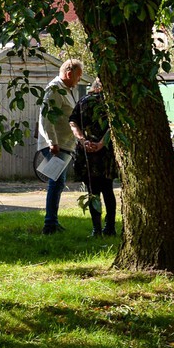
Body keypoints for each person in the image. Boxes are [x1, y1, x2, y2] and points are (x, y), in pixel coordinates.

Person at [37, 59, 86, 234]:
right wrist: (52, 142)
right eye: (78, 77)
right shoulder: (55, 90)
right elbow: (46, 118)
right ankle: (50, 224)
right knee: (56, 182)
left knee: (58, 182)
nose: (78, 81)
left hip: (64, 144)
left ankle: (52, 222)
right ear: (69, 73)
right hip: (56, 145)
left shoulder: (66, 90)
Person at [70, 79, 119, 237]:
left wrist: (83, 140)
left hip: (87, 152)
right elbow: (115, 125)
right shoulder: (110, 103)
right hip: (105, 153)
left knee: (93, 191)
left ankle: (96, 229)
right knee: (108, 190)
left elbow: (72, 122)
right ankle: (110, 228)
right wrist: (102, 143)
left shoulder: (83, 101)